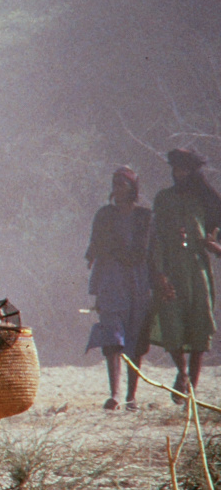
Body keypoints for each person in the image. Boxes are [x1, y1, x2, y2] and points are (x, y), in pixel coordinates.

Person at [151, 148, 221, 395]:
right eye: (175, 169)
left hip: (198, 271)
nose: (178, 173)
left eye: (183, 169)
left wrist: (216, 247)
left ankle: (192, 384)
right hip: (171, 268)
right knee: (172, 323)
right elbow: (157, 237)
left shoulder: (205, 200)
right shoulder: (163, 198)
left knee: (200, 325)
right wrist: (159, 273)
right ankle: (181, 373)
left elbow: (215, 235)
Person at [85, 167, 152, 410]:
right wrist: (94, 255)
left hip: (137, 281)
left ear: (133, 188)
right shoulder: (104, 214)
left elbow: (143, 252)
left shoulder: (145, 216)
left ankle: (131, 396)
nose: (118, 188)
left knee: (135, 337)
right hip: (110, 279)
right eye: (115, 184)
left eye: (123, 184)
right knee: (112, 335)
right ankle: (114, 394)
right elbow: (95, 243)